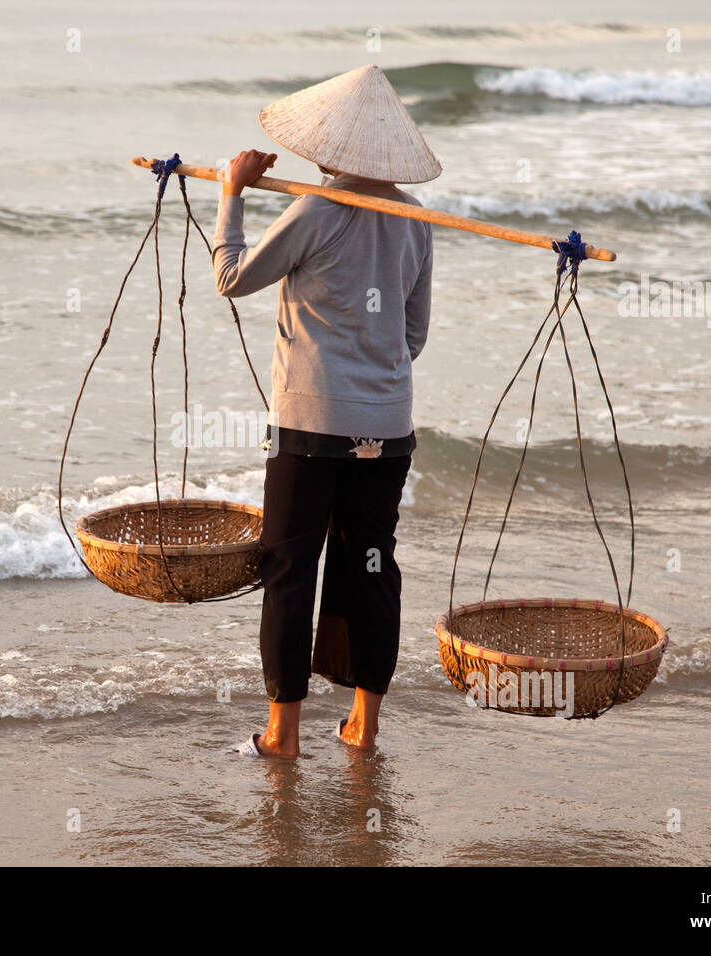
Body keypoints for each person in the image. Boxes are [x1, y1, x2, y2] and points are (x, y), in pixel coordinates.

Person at [212, 65, 441, 758]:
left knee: (290, 567)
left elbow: (232, 278)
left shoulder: (314, 209)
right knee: (370, 564)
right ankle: (363, 727)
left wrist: (232, 195)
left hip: (310, 428)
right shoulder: (415, 220)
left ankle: (282, 734)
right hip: (387, 429)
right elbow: (413, 336)